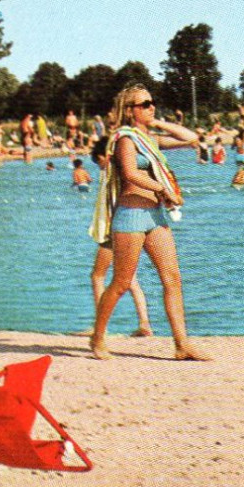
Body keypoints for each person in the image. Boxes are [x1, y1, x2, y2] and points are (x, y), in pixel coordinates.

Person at [88, 85, 209, 361]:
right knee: (120, 282)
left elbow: (191, 137)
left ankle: (181, 345)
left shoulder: (149, 137)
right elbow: (131, 174)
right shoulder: (125, 140)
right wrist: (163, 188)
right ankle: (97, 338)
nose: (151, 107)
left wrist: (154, 121)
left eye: (152, 102)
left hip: (155, 215)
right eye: (145, 104)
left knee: (172, 279)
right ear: (130, 110)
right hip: (131, 215)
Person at [86, 137, 152, 341]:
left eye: (99, 163)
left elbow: (109, 206)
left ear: (102, 157)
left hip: (113, 229)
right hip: (130, 226)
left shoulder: (110, 173)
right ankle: (144, 323)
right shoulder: (125, 171)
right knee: (130, 278)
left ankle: (100, 327)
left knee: (98, 275)